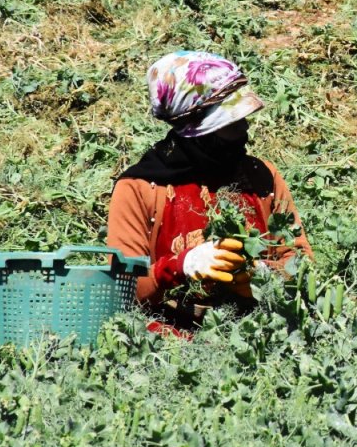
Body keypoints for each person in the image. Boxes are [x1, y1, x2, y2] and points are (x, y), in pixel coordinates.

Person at [106, 51, 311, 331]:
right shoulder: (140, 188)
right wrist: (178, 268)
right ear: (196, 129)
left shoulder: (261, 177)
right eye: (231, 123)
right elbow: (121, 291)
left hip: (259, 333)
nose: (244, 130)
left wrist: (261, 277)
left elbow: (300, 264)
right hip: (167, 341)